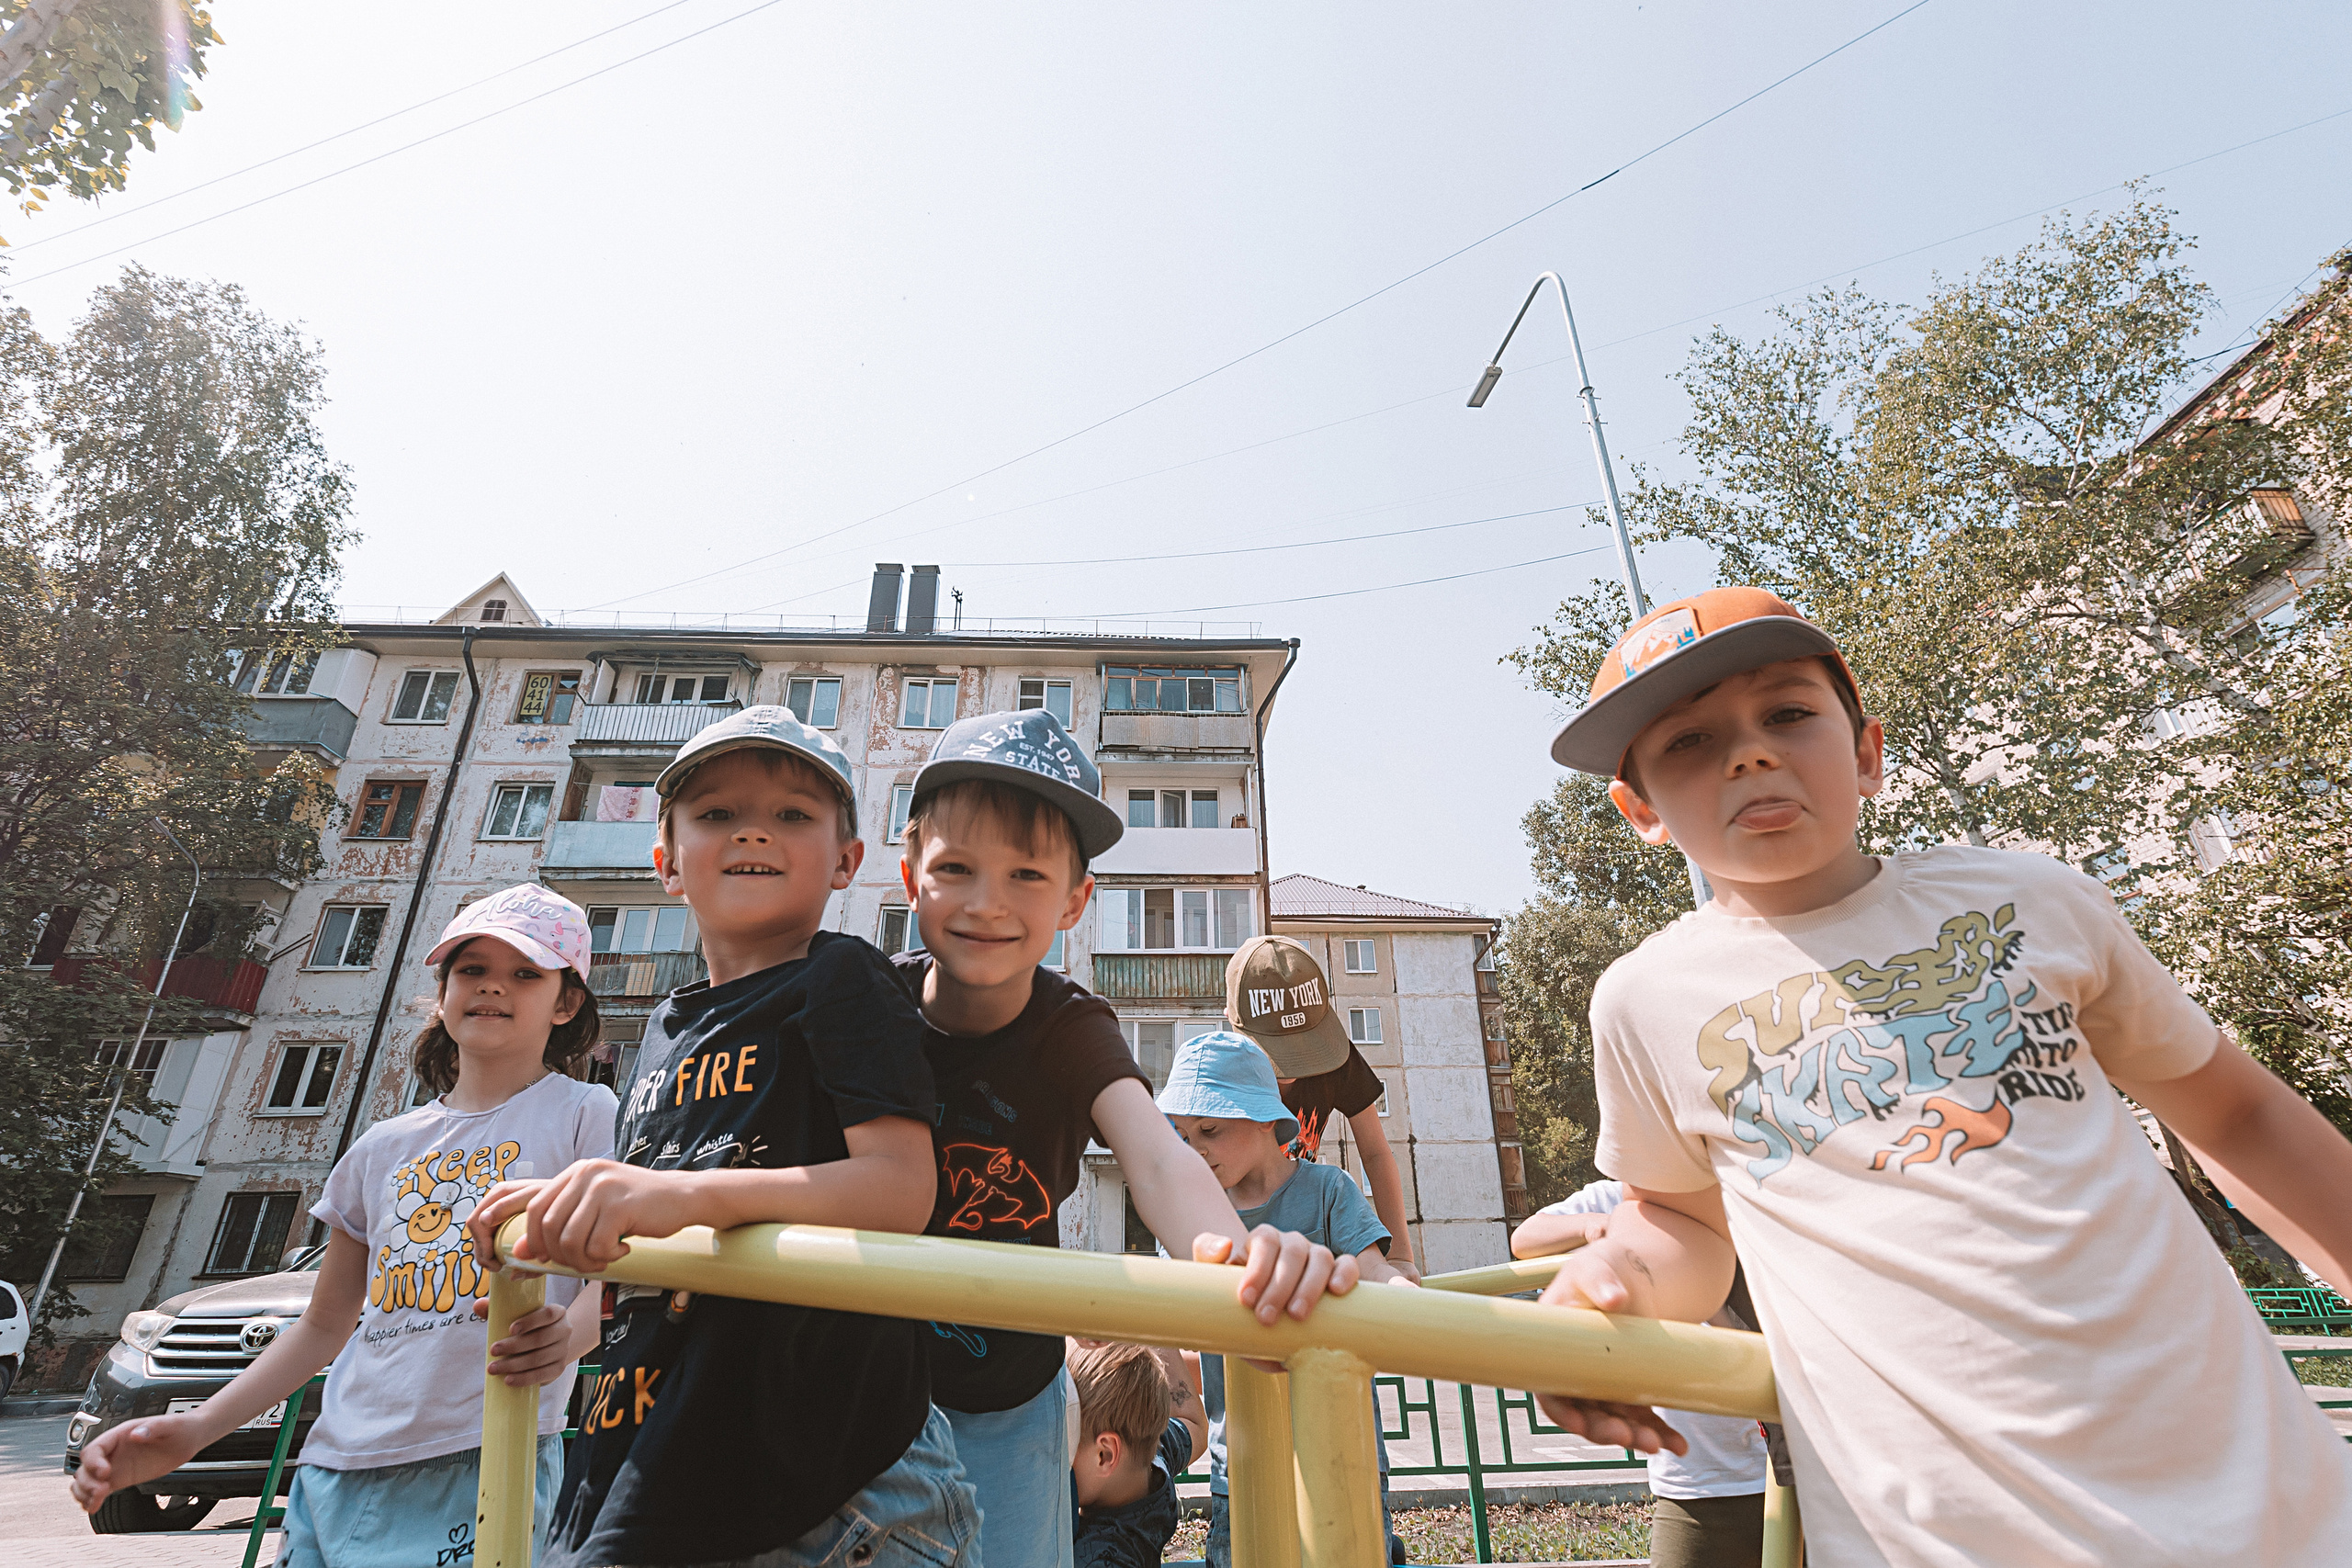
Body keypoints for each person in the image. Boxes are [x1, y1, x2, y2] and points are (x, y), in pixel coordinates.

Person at [1530, 587, 2352, 1563]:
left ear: (1867, 752)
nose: (1749, 753)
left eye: (1787, 713)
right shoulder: (1644, 998)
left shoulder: (2032, 899)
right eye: (1689, 743)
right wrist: (1598, 1292)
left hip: (2254, 1493)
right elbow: (1680, 1224)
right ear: (1640, 811)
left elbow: (2239, 1114)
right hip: (1940, 1535)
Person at [467, 707, 975, 1568]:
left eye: (792, 815)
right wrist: (569, 1244)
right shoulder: (664, 1028)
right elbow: (661, 1231)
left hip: (824, 1479)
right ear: (666, 864)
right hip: (649, 1447)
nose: (751, 829)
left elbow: (898, 1187)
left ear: (846, 861)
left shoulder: (841, 976)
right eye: (715, 813)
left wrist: (672, 1195)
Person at [892, 708, 1367, 1566]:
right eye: (956, 867)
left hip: (1010, 1399)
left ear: (1076, 899)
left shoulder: (1071, 1028)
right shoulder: (873, 1008)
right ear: (910, 873)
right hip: (871, 1381)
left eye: (1027, 874)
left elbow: (1155, 1156)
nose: (987, 901)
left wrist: (1231, 1258)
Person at [70, 885, 617, 1566]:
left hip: (483, 1458)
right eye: (472, 969)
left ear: (565, 1003)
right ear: (443, 990)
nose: (493, 988)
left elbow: (617, 1277)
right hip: (334, 1465)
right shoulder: (380, 1148)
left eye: (525, 973)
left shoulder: (586, 1112)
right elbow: (324, 1323)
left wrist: (570, 1335)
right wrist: (196, 1429)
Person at [1157, 1030, 1413, 1568]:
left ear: (1264, 1120)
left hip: (1342, 1443)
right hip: (1242, 1461)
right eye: (1182, 1134)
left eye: (1209, 1129)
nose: (1194, 1149)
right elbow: (1175, 1333)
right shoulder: (1187, 1217)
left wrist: (1406, 1300)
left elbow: (1374, 1271)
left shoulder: (1327, 1191)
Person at [1514, 1179, 1768, 1568]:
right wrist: (1599, 1232)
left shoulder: (1749, 1194)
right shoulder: (1619, 1193)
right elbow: (1526, 1237)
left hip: (1803, 1465)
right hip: (1697, 1478)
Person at [1226, 934, 1419, 1280]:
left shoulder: (1336, 1059)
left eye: (1303, 1048)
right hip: (1236, 1232)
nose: (1290, 1071)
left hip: (1307, 1234)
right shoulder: (1220, 1071)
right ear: (1231, 1020)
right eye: (1274, 1052)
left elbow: (1375, 1152)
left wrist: (1402, 1256)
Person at [1067, 1339, 1207, 1568]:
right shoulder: (1153, 1455)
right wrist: (1151, 1325)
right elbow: (1193, 1424)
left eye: (1061, 1449)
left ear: (1105, 1455)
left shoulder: (1101, 1558)